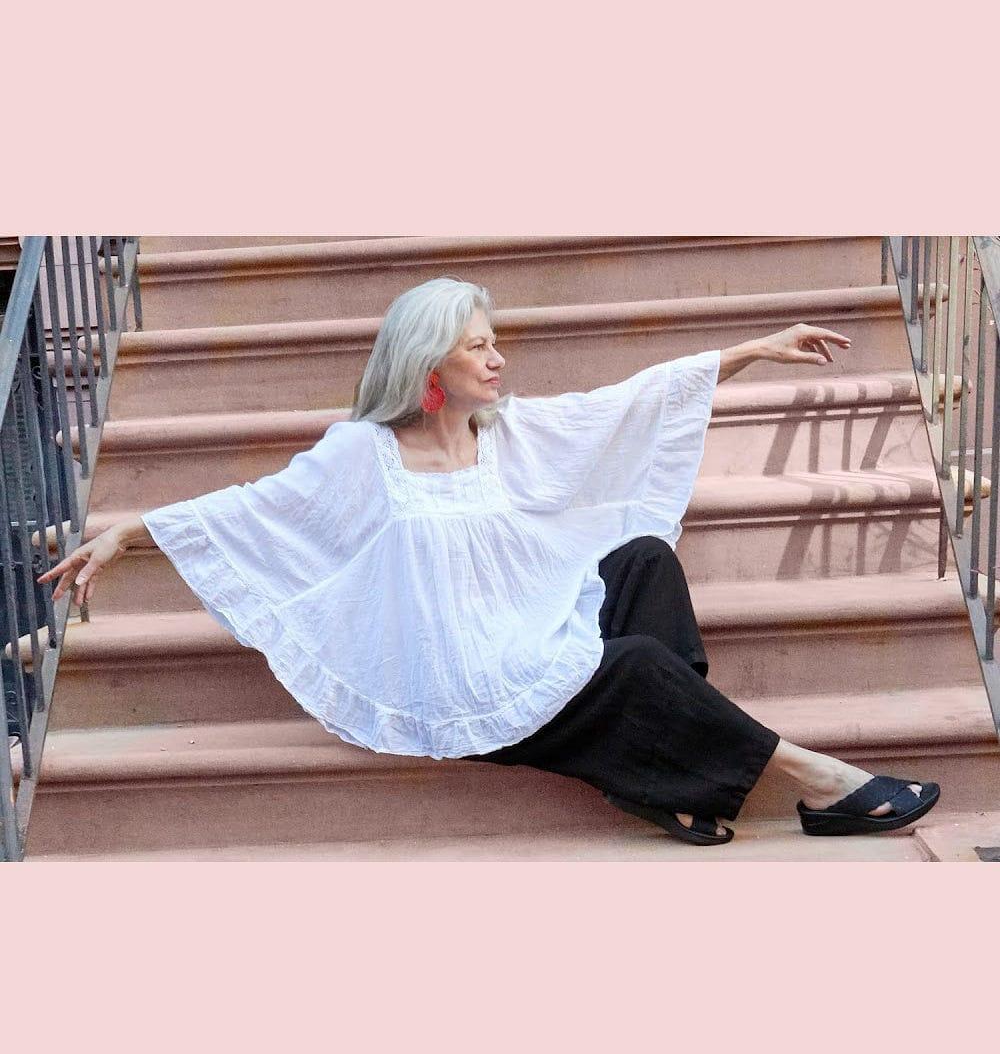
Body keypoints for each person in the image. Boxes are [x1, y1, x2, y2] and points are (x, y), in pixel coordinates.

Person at [38, 276, 940, 847]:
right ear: (431, 361)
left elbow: (622, 406)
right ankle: (826, 783)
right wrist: (127, 531)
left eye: (493, 341)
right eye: (478, 345)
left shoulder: (501, 433)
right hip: (457, 678)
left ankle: (662, 767)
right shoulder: (362, 454)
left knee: (639, 560)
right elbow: (260, 510)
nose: (498, 358)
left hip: (514, 634)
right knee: (627, 663)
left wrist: (749, 349)